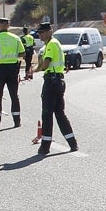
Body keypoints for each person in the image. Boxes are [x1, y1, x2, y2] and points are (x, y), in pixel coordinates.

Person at [33, 22, 78, 154]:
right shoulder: (53, 44)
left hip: (51, 81)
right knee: (60, 114)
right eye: (39, 33)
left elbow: (46, 65)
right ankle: (73, 143)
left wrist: (35, 69)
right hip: (58, 81)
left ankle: (45, 147)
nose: (40, 35)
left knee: (47, 114)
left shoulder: (51, 44)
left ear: (49, 32)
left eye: (42, 32)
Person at [0, 18, 25, 129]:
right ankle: (17, 121)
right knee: (14, 96)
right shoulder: (16, 38)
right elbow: (22, 53)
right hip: (13, 69)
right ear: (8, 25)